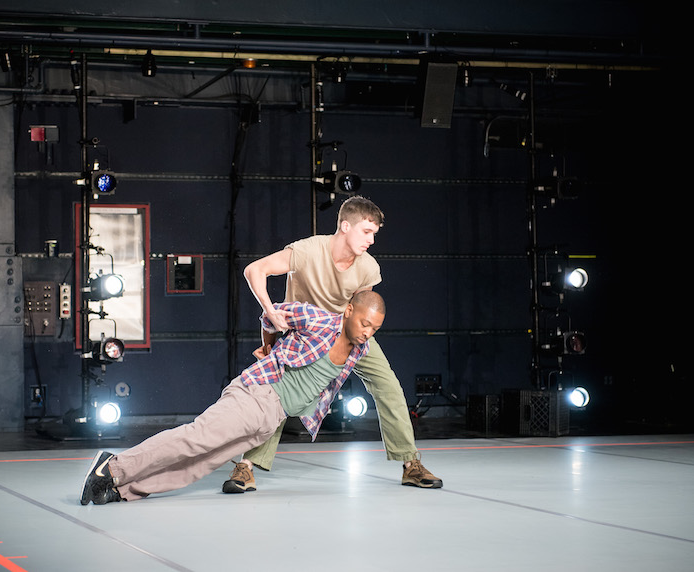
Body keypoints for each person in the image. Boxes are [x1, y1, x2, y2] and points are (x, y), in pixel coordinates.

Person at [80, 290, 385, 505]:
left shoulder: (361, 350)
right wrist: (269, 347)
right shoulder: (319, 320)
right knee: (195, 438)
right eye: (364, 323)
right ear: (348, 311)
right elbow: (272, 315)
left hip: (272, 419)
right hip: (257, 395)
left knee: (201, 463)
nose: (367, 332)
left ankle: (123, 489)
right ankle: (112, 468)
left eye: (374, 328)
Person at [223, 195, 441, 494]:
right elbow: (254, 270)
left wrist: (356, 335)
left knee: (388, 385)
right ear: (345, 225)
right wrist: (271, 310)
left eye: (374, 234)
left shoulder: (368, 267)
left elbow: (361, 309)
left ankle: (410, 464)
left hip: (345, 332)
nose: (371, 240)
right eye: (366, 232)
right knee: (282, 391)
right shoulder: (308, 250)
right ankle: (246, 467)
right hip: (307, 332)